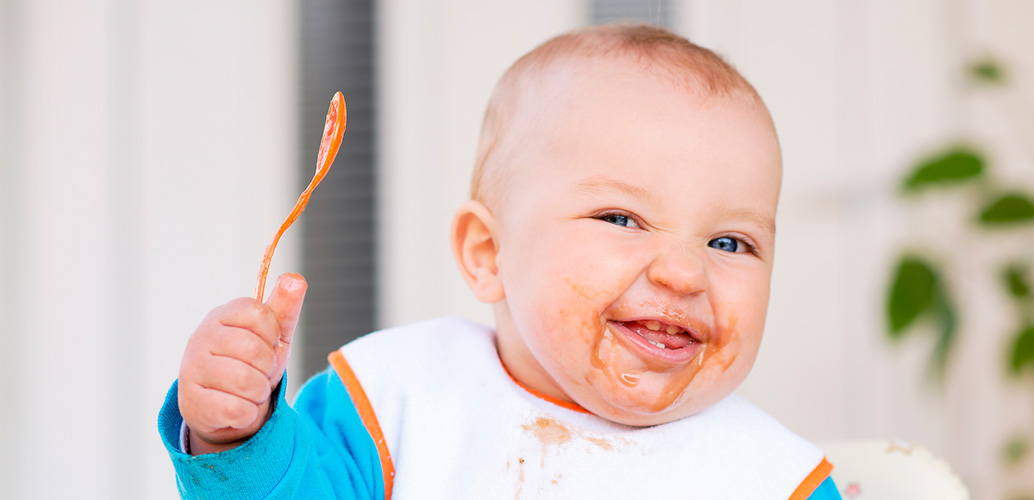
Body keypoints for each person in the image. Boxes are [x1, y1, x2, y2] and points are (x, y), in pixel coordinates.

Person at [159, 23, 842, 499]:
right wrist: (235, 440)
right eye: (621, 219)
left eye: (730, 243)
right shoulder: (396, 405)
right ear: (489, 253)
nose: (685, 275)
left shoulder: (776, 480)